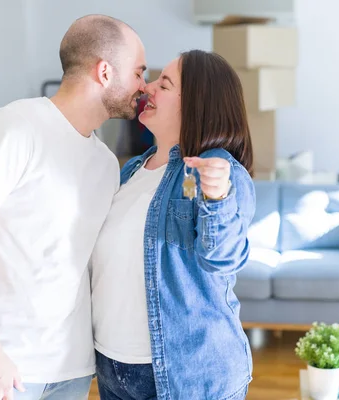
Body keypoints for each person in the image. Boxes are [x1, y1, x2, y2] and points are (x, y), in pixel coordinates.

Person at [0, 14, 146, 400]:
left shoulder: (104, 164)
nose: (143, 86)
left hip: (70, 370)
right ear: (104, 72)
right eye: (138, 72)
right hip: (0, 368)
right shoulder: (13, 128)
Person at [91, 49, 256, 400]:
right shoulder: (133, 169)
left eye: (164, 84)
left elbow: (223, 258)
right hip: (113, 370)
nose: (147, 88)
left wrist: (218, 199)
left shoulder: (211, 172)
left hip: (188, 377)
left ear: (196, 103)